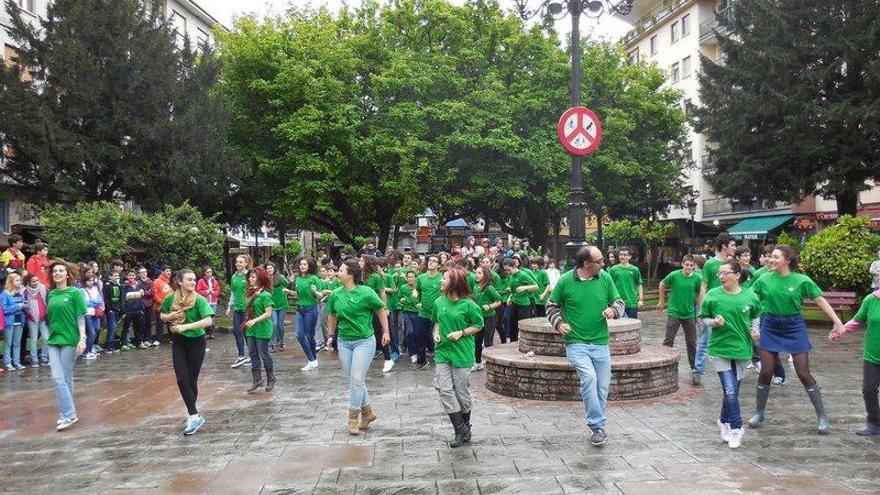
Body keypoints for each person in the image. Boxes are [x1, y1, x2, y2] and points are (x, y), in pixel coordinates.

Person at [747, 245, 846, 434]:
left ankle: (822, 416)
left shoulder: (802, 280)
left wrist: (838, 322)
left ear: (788, 260)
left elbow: (820, 300)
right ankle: (759, 412)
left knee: (803, 373)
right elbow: (748, 298)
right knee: (766, 371)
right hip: (770, 325)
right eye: (770, 257)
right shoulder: (763, 279)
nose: (771, 260)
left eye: (776, 257)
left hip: (794, 326)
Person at [547, 246, 624, 447]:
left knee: (602, 386)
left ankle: (597, 423)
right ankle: (597, 426)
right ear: (586, 263)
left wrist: (613, 310)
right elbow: (551, 305)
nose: (604, 263)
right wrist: (558, 323)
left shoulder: (605, 278)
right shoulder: (566, 280)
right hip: (576, 343)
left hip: (600, 343)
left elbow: (619, 302)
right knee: (589, 378)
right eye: (599, 261)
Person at [700, 260, 761, 449]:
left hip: (742, 349)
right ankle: (736, 428)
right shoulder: (712, 295)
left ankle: (723, 420)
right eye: (719, 273)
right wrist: (714, 323)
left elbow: (756, 315)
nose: (721, 276)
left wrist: (755, 329)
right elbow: (703, 318)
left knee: (733, 390)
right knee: (730, 390)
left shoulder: (750, 296)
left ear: (737, 275)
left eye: (725, 273)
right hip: (719, 348)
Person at [325, 259, 389, 435]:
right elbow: (332, 315)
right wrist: (330, 335)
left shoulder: (367, 292)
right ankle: (368, 413)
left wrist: (386, 332)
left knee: (356, 378)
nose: (338, 273)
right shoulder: (336, 294)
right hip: (344, 341)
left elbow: (380, 309)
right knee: (355, 380)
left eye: (341, 270)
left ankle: (353, 418)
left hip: (365, 341)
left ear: (351, 274)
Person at [432, 268, 484, 447]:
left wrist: (461, 333)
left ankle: (465, 425)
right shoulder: (438, 302)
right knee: (444, 389)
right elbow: (437, 322)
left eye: (444, 279)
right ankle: (459, 428)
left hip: (462, 351)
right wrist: (436, 333)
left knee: (461, 391)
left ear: (454, 282)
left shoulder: (469, 305)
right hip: (442, 351)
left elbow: (478, 325)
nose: (441, 282)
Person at [160, 269, 215, 435]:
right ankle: (194, 414)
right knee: (181, 378)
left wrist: (185, 326)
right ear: (179, 282)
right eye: (189, 280)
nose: (193, 282)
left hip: (196, 342)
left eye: (194, 280)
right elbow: (162, 315)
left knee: (191, 380)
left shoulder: (199, 300)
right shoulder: (171, 298)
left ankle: (193, 414)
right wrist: (170, 317)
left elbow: (208, 321)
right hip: (178, 341)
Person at [831, 288, 880, 435]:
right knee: (869, 389)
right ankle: (873, 422)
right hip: (872, 355)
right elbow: (857, 320)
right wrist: (841, 330)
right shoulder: (871, 300)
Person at [45, 260, 87, 431]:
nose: (57, 273)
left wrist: (82, 338)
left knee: (63, 377)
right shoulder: (51, 294)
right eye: (55, 271)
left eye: (61, 270)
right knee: (59, 378)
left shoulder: (75, 293)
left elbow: (80, 318)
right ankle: (67, 413)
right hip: (54, 340)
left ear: (67, 274)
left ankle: (68, 414)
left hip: (70, 339)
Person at [694, 233, 738, 385]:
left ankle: (733, 369)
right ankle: (698, 371)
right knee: (705, 340)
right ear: (724, 246)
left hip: (731, 306)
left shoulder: (733, 263)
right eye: (732, 245)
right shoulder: (710, 264)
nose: (735, 248)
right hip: (713, 308)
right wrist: (702, 309)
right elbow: (704, 286)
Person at [658, 255, 702, 371]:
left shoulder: (697, 279)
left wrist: (700, 310)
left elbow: (698, 294)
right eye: (686, 265)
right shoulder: (674, 275)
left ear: (694, 266)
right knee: (669, 339)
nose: (688, 267)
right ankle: (664, 363)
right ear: (682, 264)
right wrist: (662, 301)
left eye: (691, 265)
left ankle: (694, 367)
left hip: (689, 313)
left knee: (692, 341)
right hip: (674, 312)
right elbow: (662, 285)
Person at [243, 267, 275, 393]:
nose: (250, 279)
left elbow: (268, 314)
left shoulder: (266, 295)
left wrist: (254, 320)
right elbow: (246, 304)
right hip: (251, 329)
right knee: (252, 353)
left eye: (253, 277)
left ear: (260, 279)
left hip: (262, 328)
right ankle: (257, 379)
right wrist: (253, 296)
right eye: (250, 277)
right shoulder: (251, 293)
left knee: (264, 353)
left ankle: (271, 378)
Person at [293, 256, 323, 371]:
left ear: (309, 266)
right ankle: (311, 359)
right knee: (299, 334)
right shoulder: (299, 279)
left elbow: (321, 296)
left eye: (304, 264)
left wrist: (315, 291)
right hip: (300, 309)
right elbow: (299, 294)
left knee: (309, 335)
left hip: (311, 309)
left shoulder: (314, 278)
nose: (302, 266)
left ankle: (313, 360)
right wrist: (289, 292)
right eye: (301, 264)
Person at [413, 255, 442, 369]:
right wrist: (415, 293)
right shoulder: (421, 277)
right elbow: (417, 289)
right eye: (430, 260)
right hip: (424, 312)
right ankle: (422, 361)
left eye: (434, 261)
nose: (431, 262)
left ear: (439, 265)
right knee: (419, 335)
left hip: (438, 313)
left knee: (437, 336)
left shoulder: (441, 278)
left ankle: (440, 357)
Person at [471, 265, 501, 371]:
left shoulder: (489, 288)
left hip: (490, 318)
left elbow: (498, 301)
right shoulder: (475, 287)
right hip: (479, 318)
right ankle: (478, 362)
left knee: (488, 341)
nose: (477, 275)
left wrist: (489, 306)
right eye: (476, 273)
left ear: (485, 275)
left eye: (480, 273)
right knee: (477, 341)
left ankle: (491, 363)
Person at [502, 257, 538, 342]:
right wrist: (510, 297)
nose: (507, 272)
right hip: (514, 303)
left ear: (514, 266)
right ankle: (513, 344)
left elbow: (536, 286)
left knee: (523, 326)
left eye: (508, 270)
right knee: (512, 327)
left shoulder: (522, 275)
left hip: (524, 305)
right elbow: (513, 290)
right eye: (505, 270)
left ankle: (525, 343)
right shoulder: (510, 276)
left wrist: (525, 288)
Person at [226, 254, 251, 368]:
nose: (238, 264)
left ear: (246, 263)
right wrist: (229, 307)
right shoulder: (234, 277)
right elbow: (233, 292)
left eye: (241, 262)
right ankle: (241, 356)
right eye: (237, 262)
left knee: (247, 332)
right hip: (237, 308)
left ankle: (252, 355)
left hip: (247, 308)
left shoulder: (249, 276)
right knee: (237, 331)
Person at [608, 247, 643, 318]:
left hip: (632, 303)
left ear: (629, 257)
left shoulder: (634, 269)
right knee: (618, 326)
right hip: (617, 304)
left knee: (632, 326)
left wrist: (641, 300)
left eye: (624, 255)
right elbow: (609, 286)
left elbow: (639, 284)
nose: (622, 256)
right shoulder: (613, 269)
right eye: (620, 255)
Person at [23, 273, 50, 367]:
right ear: (28, 282)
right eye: (33, 281)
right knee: (34, 339)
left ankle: (44, 357)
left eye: (37, 280)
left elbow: (46, 301)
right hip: (31, 318)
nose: (36, 283)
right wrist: (29, 313)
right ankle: (34, 359)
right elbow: (25, 305)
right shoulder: (25, 291)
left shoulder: (42, 288)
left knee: (46, 337)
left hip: (43, 317)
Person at [2, 271, 26, 370]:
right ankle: (8, 362)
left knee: (17, 343)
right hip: (9, 322)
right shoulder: (5, 294)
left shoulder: (20, 293)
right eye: (17, 280)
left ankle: (17, 362)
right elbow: (4, 309)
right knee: (8, 343)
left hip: (20, 321)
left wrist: (25, 306)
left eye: (20, 280)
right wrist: (17, 306)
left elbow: (23, 306)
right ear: (11, 282)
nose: (19, 282)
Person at [265, 262, 290, 353]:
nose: (269, 270)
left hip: (282, 304)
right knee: (274, 324)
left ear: (274, 269)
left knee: (280, 325)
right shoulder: (265, 279)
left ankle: (281, 342)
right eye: (267, 268)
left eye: (271, 268)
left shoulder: (281, 277)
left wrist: (286, 290)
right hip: (272, 304)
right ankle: (272, 344)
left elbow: (288, 285)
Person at [120, 269, 146, 351]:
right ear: (127, 276)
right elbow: (123, 299)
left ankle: (139, 342)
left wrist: (142, 309)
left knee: (139, 327)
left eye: (133, 275)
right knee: (126, 328)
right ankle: (124, 343)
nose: (131, 277)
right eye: (129, 275)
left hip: (138, 310)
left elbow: (141, 298)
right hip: (128, 311)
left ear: (135, 276)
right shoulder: (124, 286)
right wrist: (123, 312)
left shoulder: (139, 285)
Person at [79, 274, 104, 360]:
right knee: (91, 332)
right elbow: (84, 303)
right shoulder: (81, 290)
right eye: (89, 280)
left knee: (97, 329)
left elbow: (100, 300)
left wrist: (92, 302)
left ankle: (90, 349)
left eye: (92, 280)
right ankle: (86, 352)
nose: (91, 282)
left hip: (95, 312)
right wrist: (94, 302)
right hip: (87, 313)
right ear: (85, 282)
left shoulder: (95, 289)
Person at [195, 266, 221, 340]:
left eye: (210, 272)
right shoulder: (201, 281)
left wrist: (213, 292)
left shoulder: (214, 281)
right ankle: (204, 333)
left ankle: (211, 333)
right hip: (205, 302)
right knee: (204, 317)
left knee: (212, 318)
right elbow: (198, 291)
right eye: (207, 272)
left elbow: (218, 291)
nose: (209, 274)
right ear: (204, 273)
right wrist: (207, 291)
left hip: (213, 302)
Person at [102, 271, 123, 353]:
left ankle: (112, 345)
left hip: (117, 309)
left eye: (118, 275)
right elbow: (106, 298)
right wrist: (109, 309)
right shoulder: (107, 286)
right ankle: (108, 346)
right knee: (112, 327)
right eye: (115, 276)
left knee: (115, 328)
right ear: (110, 277)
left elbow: (121, 296)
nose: (117, 277)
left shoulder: (118, 285)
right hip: (111, 310)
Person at [152, 268, 173, 344]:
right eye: (167, 271)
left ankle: (172, 338)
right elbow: (155, 293)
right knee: (159, 323)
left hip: (171, 306)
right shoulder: (157, 281)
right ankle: (159, 339)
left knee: (171, 322)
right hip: (160, 306)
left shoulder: (172, 281)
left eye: (170, 271)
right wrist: (161, 302)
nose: (169, 272)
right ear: (162, 272)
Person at [137, 267, 156, 346]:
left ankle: (148, 339)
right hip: (141, 305)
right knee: (142, 323)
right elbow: (139, 294)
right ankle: (142, 339)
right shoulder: (138, 283)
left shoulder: (151, 282)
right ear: (139, 274)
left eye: (145, 272)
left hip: (149, 305)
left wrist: (144, 292)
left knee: (149, 322)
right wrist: (146, 292)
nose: (144, 274)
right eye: (141, 272)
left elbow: (152, 293)